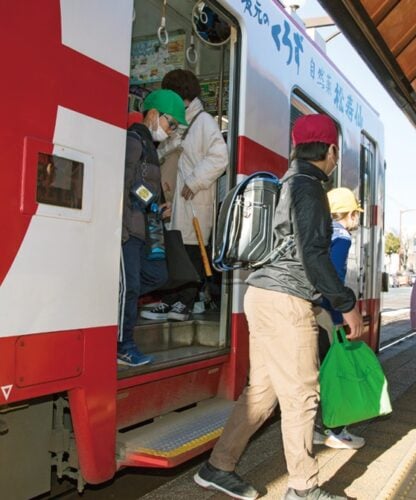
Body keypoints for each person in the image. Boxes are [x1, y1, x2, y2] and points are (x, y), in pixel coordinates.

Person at [193, 114, 364, 500]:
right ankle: (303, 489)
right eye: (336, 152)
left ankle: (218, 466)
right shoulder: (307, 187)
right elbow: (313, 255)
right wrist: (345, 303)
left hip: (263, 296)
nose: (336, 160)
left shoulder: (287, 181)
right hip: (286, 300)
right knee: (302, 395)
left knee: (263, 391)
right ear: (330, 149)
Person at [140, 69, 228, 322]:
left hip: (192, 199)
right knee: (175, 249)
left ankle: (184, 302)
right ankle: (170, 300)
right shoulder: (182, 121)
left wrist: (194, 180)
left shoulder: (203, 121)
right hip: (176, 200)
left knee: (190, 251)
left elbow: (220, 156)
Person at [118, 89, 187, 367]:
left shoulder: (149, 146)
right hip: (128, 229)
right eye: (171, 124)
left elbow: (141, 187)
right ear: (154, 114)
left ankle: (116, 312)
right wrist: (148, 206)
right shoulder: (134, 141)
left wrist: (159, 205)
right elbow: (123, 184)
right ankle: (123, 344)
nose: (170, 131)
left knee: (155, 276)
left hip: (143, 232)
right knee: (131, 286)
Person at [313, 188, 366, 450]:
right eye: (357, 213)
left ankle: (315, 428)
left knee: (315, 372)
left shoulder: (319, 228)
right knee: (335, 372)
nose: (357, 219)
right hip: (326, 310)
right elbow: (332, 276)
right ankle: (336, 430)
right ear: (351, 214)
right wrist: (341, 312)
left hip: (309, 306)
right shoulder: (342, 235)